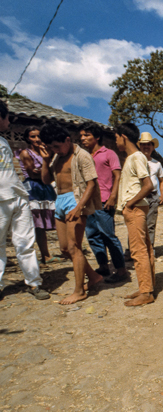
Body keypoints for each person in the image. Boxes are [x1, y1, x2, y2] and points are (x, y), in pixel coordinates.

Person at [39, 123, 103, 305]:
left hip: (75, 200)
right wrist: (45, 160)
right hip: (60, 200)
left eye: (57, 146)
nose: (54, 150)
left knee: (74, 247)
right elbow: (46, 180)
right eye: (51, 147)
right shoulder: (56, 157)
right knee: (65, 249)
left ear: (67, 140)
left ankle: (79, 291)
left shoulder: (82, 156)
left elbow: (91, 184)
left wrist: (78, 208)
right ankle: (94, 277)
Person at [0, 100, 50, 301]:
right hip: (1, 200)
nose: (9, 121)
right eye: (6, 117)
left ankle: (34, 282)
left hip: (19, 196)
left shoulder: (3, 142)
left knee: (26, 242)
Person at [79, 122, 128, 283]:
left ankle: (121, 270)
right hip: (88, 201)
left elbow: (117, 175)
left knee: (108, 235)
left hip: (104, 200)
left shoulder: (109, 153)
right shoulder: (85, 156)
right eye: (81, 136)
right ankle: (103, 266)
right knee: (92, 235)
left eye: (87, 135)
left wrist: (114, 196)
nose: (83, 138)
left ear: (97, 137)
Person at [115, 123, 155, 306]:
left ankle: (146, 293)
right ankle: (146, 286)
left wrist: (130, 203)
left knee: (138, 251)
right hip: (136, 207)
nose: (116, 142)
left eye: (116, 138)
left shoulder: (137, 157)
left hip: (135, 208)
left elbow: (148, 185)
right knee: (144, 248)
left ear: (124, 136)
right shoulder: (132, 158)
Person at [16, 126, 60, 264]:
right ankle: (45, 255)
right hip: (34, 188)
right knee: (38, 222)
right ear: (27, 139)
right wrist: (46, 169)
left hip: (46, 186)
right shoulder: (25, 153)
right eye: (32, 136)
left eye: (38, 136)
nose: (36, 139)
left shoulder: (46, 152)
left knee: (54, 216)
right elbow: (32, 173)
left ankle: (64, 248)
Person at [137, 132, 163, 248]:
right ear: (140, 146)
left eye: (149, 144)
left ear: (153, 147)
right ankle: (133, 251)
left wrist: (162, 195)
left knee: (150, 224)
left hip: (152, 196)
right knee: (136, 224)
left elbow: (162, 180)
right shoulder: (135, 160)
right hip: (138, 196)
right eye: (143, 144)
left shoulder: (157, 163)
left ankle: (149, 250)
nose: (146, 147)